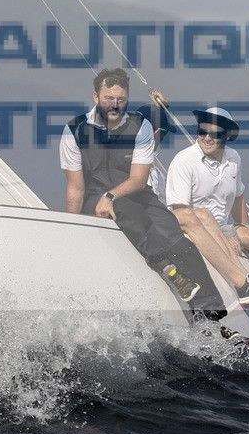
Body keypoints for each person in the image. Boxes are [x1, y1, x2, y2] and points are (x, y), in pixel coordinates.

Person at [62, 69, 226, 313]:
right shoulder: (74, 131)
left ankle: (213, 311)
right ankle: (165, 266)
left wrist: (112, 195)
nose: (115, 105)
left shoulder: (141, 127)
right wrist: (72, 231)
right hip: (94, 196)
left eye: (121, 99)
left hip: (134, 191)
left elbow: (138, 180)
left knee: (175, 235)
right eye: (108, 98)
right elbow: (76, 187)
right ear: (96, 97)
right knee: (127, 210)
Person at [162, 106, 249, 313]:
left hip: (225, 226)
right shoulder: (184, 161)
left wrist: (242, 228)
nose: (207, 138)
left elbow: (238, 198)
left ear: (226, 136)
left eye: (215, 134)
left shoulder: (233, 157)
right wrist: (222, 240)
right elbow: (181, 210)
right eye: (202, 132)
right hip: (199, 229)